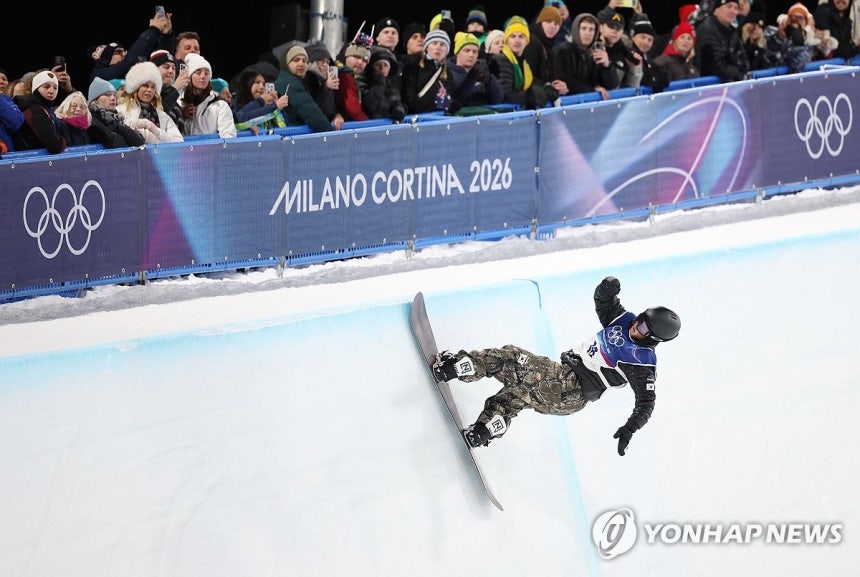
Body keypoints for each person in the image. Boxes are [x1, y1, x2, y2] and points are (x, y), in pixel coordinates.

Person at [433, 276, 680, 452]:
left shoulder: (641, 362)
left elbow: (646, 403)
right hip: (562, 383)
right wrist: (606, 288)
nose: (636, 326)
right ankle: (485, 429)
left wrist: (630, 429)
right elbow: (604, 303)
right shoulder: (624, 321)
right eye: (640, 319)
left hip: (568, 386)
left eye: (643, 328)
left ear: (653, 338)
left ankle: (457, 367)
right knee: (512, 397)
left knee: (510, 357)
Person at [88, 9, 175, 83]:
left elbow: (162, 62)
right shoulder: (99, 75)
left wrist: (166, 36)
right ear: (106, 58)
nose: (124, 54)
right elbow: (129, 61)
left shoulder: (129, 71)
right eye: (119, 52)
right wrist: (153, 30)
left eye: (125, 51)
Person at [489, 16, 554, 110]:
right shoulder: (501, 60)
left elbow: (530, 81)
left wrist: (546, 87)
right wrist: (531, 96)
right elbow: (505, 95)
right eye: (513, 36)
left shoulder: (523, 62)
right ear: (507, 40)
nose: (517, 40)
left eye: (521, 36)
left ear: (526, 40)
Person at [553, 13, 619, 99]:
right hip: (568, 102)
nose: (587, 33)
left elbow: (612, 85)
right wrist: (592, 89)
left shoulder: (596, 52)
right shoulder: (562, 51)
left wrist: (607, 65)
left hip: (590, 102)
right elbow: (566, 80)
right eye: (584, 28)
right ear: (576, 30)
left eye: (591, 29)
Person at [117, 61, 183, 143]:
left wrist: (156, 131)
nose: (149, 90)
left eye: (153, 87)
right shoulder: (121, 111)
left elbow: (178, 141)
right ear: (136, 88)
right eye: (145, 86)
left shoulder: (162, 116)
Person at [280, 45, 336, 132]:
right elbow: (312, 113)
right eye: (296, 60)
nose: (301, 64)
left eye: (304, 61)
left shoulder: (294, 81)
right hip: (295, 134)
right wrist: (332, 134)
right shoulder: (293, 84)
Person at [179, 54, 236, 139]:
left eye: (206, 73)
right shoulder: (181, 104)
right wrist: (182, 117)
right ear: (189, 77)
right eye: (198, 73)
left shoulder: (220, 105)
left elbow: (229, 136)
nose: (203, 76)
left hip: (211, 148)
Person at [401, 29, 457, 114]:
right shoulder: (412, 66)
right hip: (419, 118)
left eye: (442, 44)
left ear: (447, 50)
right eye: (434, 43)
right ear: (427, 47)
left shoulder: (448, 73)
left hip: (442, 118)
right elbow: (409, 99)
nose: (438, 47)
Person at [12, 70, 67, 154]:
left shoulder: (44, 108)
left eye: (55, 88)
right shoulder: (35, 110)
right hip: (32, 159)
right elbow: (55, 146)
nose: (51, 91)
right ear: (36, 88)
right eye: (46, 87)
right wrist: (63, 141)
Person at [695, 0, 751, 82]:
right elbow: (717, 67)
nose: (733, 11)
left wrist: (739, 69)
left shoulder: (732, 31)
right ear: (717, 9)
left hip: (728, 83)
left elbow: (745, 60)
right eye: (729, 6)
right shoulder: (707, 30)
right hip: (708, 85)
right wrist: (738, 73)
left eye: (736, 8)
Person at [447, 32, 504, 111]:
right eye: (467, 51)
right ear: (457, 53)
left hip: (483, 116)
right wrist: (470, 80)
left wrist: (490, 81)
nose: (471, 55)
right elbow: (453, 103)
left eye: (474, 51)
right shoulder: (448, 74)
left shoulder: (483, 71)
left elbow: (498, 99)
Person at [85, 77, 146, 148]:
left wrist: (117, 127)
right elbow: (115, 143)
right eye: (107, 95)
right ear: (95, 100)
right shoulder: (92, 120)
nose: (113, 98)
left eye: (114, 95)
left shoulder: (116, 117)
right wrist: (120, 130)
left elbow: (139, 141)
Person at [523, 5, 566, 102]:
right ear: (540, 22)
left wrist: (559, 85)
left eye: (556, 24)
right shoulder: (531, 43)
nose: (552, 26)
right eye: (548, 21)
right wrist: (547, 86)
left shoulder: (551, 47)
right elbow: (527, 77)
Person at [303, 43, 345, 130]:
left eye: (328, 62)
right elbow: (314, 111)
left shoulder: (325, 81)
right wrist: (326, 88)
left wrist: (337, 115)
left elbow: (332, 108)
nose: (326, 65)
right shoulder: (306, 81)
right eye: (322, 61)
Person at [621, 19, 671, 92]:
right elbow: (643, 80)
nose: (646, 42)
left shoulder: (646, 58)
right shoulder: (627, 54)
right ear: (633, 37)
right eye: (643, 37)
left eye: (650, 40)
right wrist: (655, 80)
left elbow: (665, 75)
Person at [359, 46, 406, 122]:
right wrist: (380, 82)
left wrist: (400, 109)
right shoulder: (364, 83)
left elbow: (398, 103)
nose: (382, 68)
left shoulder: (392, 85)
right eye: (378, 64)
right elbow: (370, 105)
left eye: (385, 65)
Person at [149, 49, 186, 134]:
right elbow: (156, 116)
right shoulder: (148, 92)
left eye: (173, 68)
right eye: (166, 67)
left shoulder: (172, 96)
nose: (171, 71)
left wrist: (184, 114)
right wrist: (175, 90)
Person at [334, 42, 371, 122]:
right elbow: (353, 110)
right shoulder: (345, 76)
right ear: (345, 56)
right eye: (356, 57)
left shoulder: (353, 77)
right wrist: (368, 123)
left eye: (365, 60)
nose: (360, 62)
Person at [0, 67, 24, 154]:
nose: (1, 81)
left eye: (4, 79)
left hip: (8, 158)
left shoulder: (11, 102)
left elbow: (15, 123)